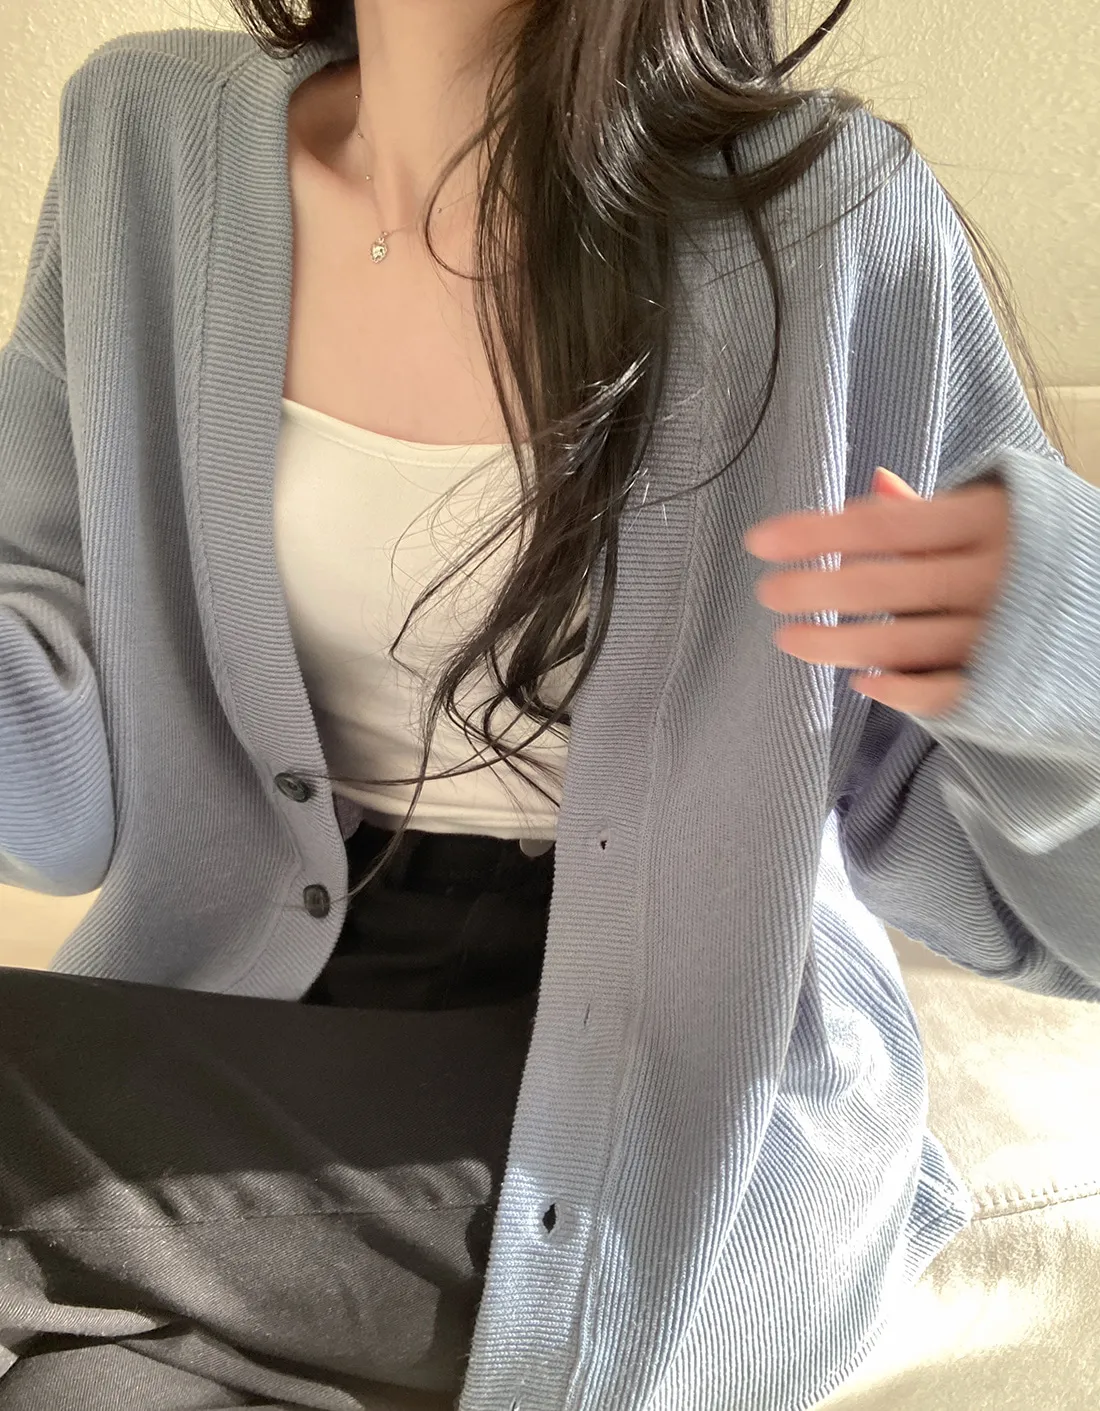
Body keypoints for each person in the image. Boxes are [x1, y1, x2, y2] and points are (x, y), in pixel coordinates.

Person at [1, 1, 1098, 1408]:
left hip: (663, 1090)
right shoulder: (143, 145)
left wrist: (1059, 644)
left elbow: (1049, 920)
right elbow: (65, 797)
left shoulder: (824, 222)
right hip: (247, 1005)